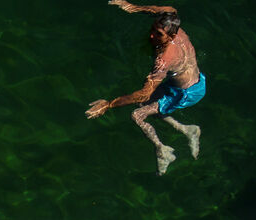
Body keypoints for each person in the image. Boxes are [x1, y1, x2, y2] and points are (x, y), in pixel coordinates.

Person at [85, 1, 205, 175]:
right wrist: (134, 7)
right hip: (189, 82)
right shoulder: (173, 22)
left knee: (137, 114)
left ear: (171, 37)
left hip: (186, 94)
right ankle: (186, 129)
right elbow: (169, 9)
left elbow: (143, 94)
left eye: (158, 34)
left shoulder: (163, 60)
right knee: (147, 106)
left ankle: (162, 150)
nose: (151, 36)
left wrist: (109, 104)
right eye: (153, 29)